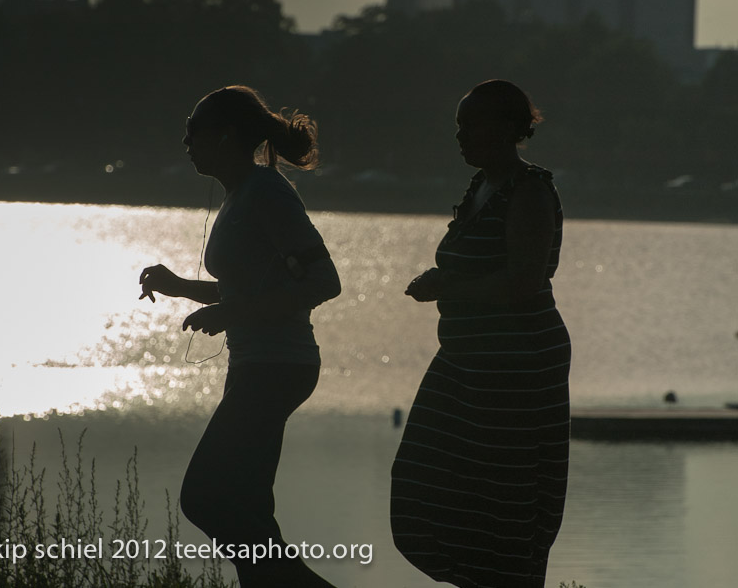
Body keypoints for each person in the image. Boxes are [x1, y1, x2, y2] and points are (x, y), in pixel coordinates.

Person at [138, 85, 341, 588]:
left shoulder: (266, 191)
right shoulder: (241, 194)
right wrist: (179, 286)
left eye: (194, 130)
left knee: (205, 498)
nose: (185, 141)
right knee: (248, 508)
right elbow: (247, 287)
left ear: (225, 136)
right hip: (256, 365)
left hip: (279, 366)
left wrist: (234, 312)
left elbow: (323, 281)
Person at [390, 80, 571, 588]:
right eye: (457, 125)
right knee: (422, 479)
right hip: (467, 361)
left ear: (509, 129)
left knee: (502, 501)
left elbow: (524, 282)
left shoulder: (530, 190)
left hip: (517, 365)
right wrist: (445, 284)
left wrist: (450, 286)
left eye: (470, 124)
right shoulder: (480, 187)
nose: (460, 135)